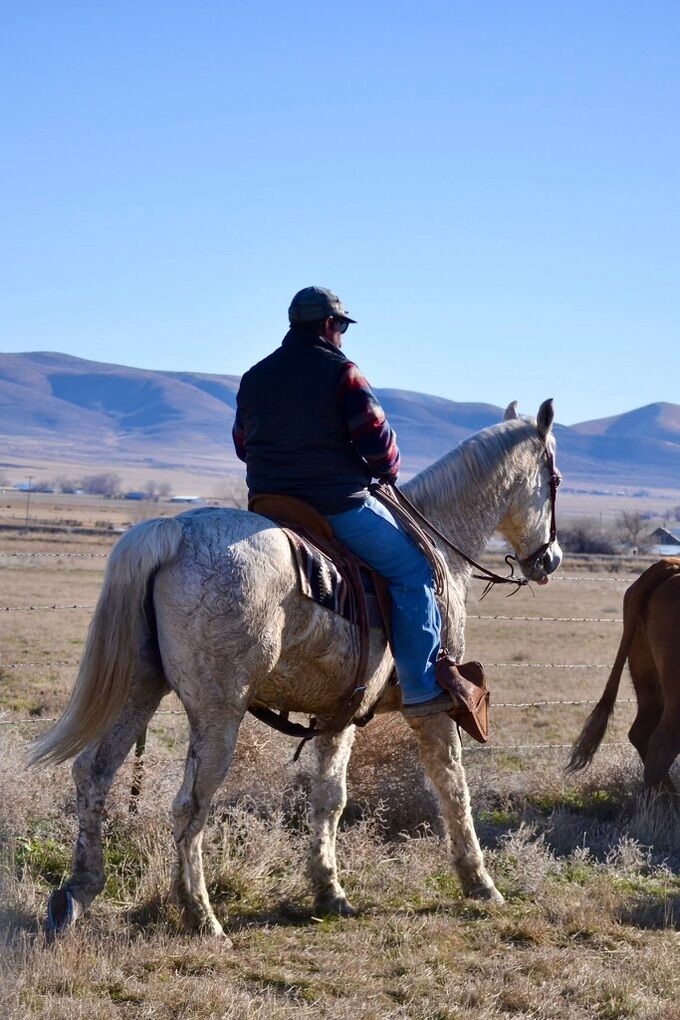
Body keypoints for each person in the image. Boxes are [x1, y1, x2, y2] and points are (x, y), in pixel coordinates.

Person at [232, 285, 455, 717]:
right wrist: (386, 469)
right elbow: (377, 440)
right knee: (415, 570)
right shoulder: (344, 373)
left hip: (269, 504)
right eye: (341, 328)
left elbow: (243, 444)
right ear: (331, 325)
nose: (342, 335)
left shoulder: (254, 376)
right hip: (335, 503)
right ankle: (422, 688)